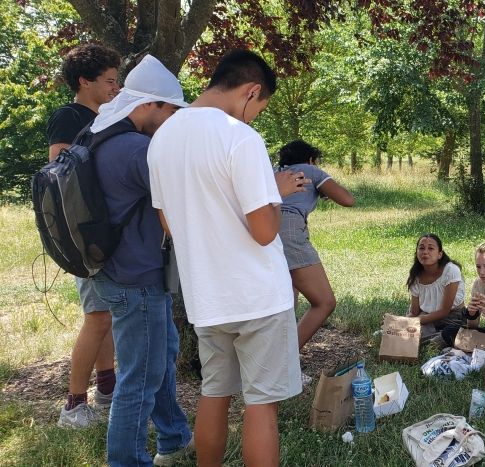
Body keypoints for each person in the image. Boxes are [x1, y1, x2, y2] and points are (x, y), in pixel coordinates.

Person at [147, 49, 308, 467]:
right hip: (258, 296)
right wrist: (275, 191)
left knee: (214, 393)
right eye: (260, 107)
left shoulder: (162, 137)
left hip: (206, 296)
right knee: (261, 405)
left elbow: (169, 225)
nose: (255, 117)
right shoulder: (240, 137)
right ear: (251, 91)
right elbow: (264, 231)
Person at [88, 54, 194, 466]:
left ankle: (173, 437)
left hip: (112, 271)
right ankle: (127, 460)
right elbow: (182, 205)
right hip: (137, 279)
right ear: (148, 105)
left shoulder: (99, 136)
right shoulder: (137, 150)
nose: (170, 120)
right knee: (139, 380)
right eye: (169, 111)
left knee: (159, 356)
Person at [45, 43, 121, 429]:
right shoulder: (69, 116)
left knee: (104, 314)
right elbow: (61, 179)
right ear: (84, 81)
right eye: (109, 80)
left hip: (101, 231)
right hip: (83, 234)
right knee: (97, 317)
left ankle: (107, 391)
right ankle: (73, 405)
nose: (116, 87)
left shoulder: (103, 117)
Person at [275, 139, 355, 351]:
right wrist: (324, 186)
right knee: (324, 302)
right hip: (290, 230)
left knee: (286, 295)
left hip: (264, 227)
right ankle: (286, 358)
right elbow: (347, 199)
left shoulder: (274, 173)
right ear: (311, 159)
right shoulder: (310, 170)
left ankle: (274, 356)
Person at [406, 233, 466, 344]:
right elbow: (414, 312)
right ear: (417, 253)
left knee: (432, 341)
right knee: (403, 333)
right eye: (421, 248)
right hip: (425, 316)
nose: (425, 252)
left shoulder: (451, 270)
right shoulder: (415, 276)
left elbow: (444, 311)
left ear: (440, 254)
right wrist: (397, 322)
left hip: (451, 317)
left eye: (431, 248)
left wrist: (411, 322)